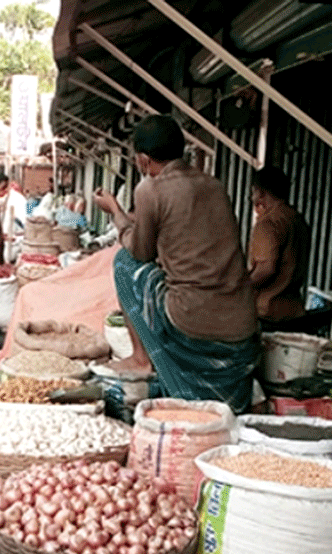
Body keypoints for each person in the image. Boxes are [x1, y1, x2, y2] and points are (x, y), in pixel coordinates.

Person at [94, 115, 259, 411]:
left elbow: (140, 251)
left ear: (143, 160)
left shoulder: (149, 189)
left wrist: (115, 212)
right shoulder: (214, 185)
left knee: (123, 262)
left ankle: (142, 358)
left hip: (191, 319)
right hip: (242, 323)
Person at [248, 167, 310, 322]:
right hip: (294, 310)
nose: (252, 197)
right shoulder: (297, 219)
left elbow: (266, 269)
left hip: (267, 311)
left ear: (260, 192)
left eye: (253, 192)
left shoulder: (268, 223)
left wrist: (237, 287)